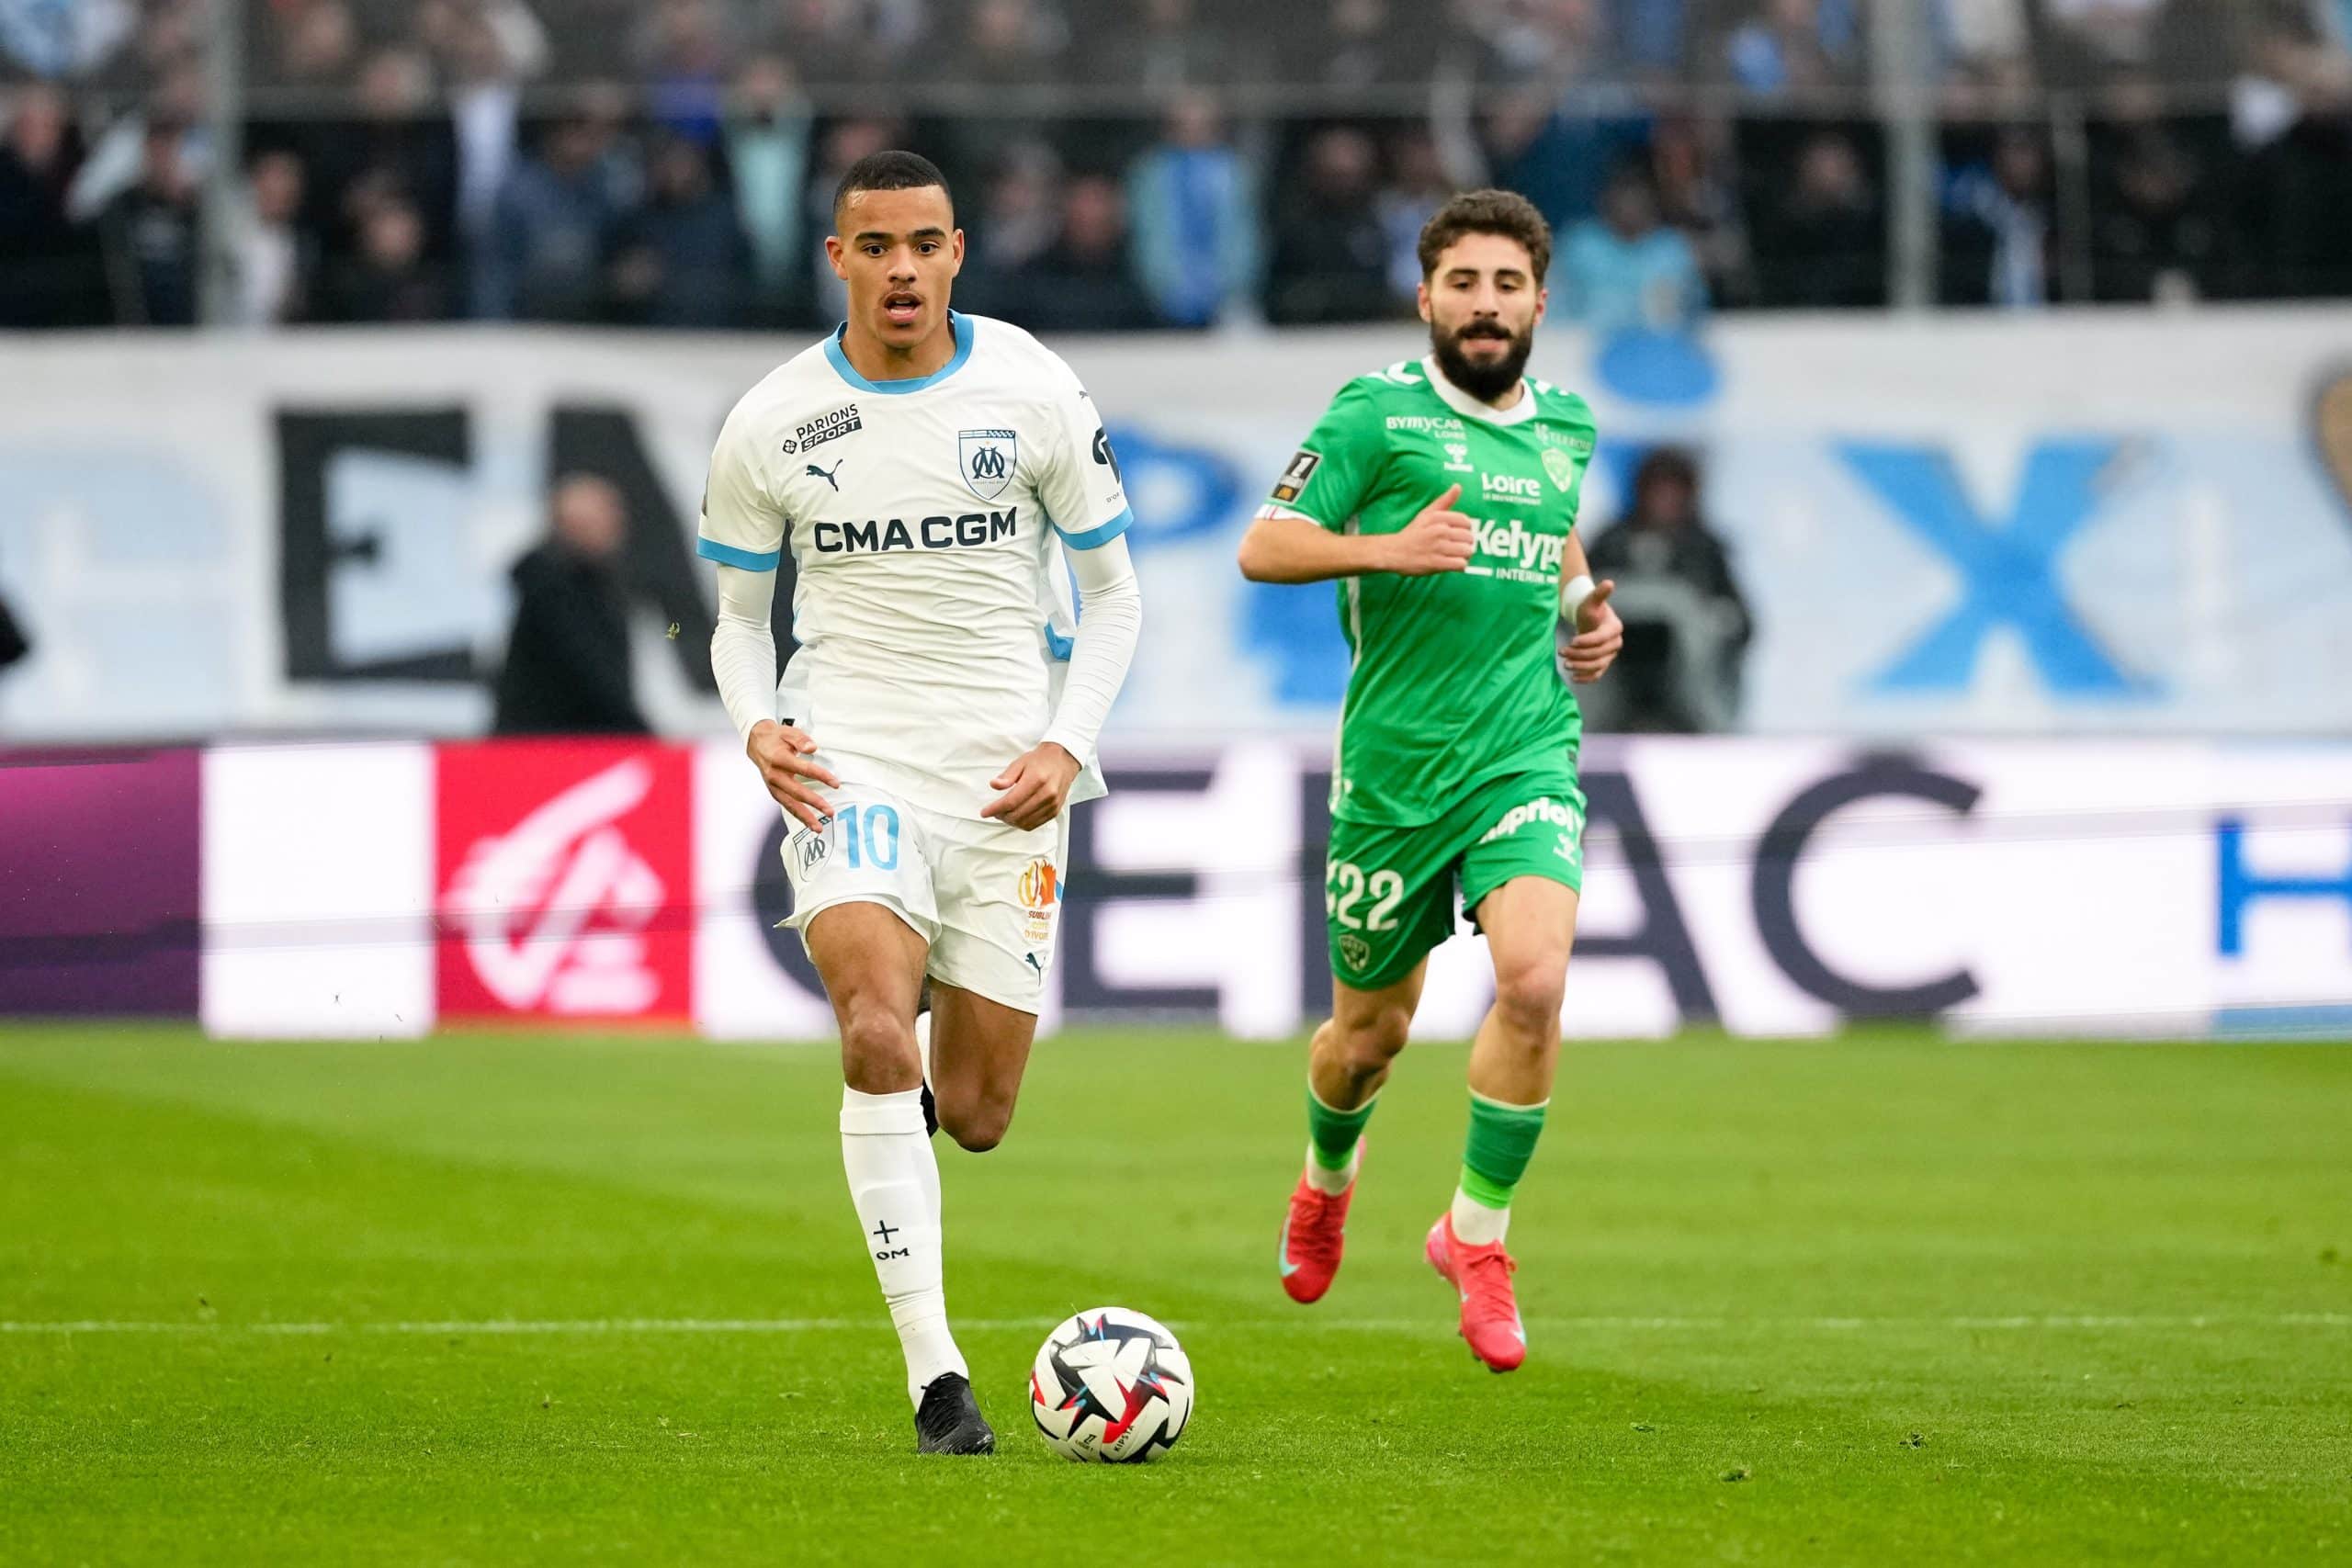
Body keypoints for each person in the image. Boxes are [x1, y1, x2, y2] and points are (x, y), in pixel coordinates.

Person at [698, 151, 1143, 1453]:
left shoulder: (1035, 388)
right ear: (836, 258)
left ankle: (905, 1076)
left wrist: (1066, 745)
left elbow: (1113, 595)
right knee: (873, 1030)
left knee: (983, 1112)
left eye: (924, 244)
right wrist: (758, 723)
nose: (901, 268)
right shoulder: (773, 420)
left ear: (959, 253)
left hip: (1005, 782)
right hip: (853, 763)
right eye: (875, 246)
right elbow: (735, 619)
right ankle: (938, 1377)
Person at [1237, 189, 1623, 1374]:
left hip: (1524, 751)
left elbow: (1550, 524)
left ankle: (1477, 1238)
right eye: (1463, 283)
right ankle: (1325, 1182)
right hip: (1395, 779)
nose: (1485, 305)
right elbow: (1265, 542)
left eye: (1507, 286)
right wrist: (1380, 548)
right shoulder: (1376, 416)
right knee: (1366, 1040)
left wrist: (1580, 607)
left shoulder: (1567, 426)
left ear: (1539, 304)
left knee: (1534, 979)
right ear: (1426, 299)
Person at [1582, 446, 1752, 732]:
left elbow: (1743, 625)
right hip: (1614, 678)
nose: (1666, 500)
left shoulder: (1704, 549)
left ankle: (1710, 727)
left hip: (1686, 687)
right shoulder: (1611, 543)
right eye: (1659, 490)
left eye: (1675, 490)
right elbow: (1574, 604)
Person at [491, 475, 650, 736]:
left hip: (561, 744)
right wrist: (641, 735)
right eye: (605, 514)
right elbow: (591, 672)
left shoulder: (596, 584)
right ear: (573, 524)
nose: (617, 522)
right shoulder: (553, 590)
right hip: (550, 747)